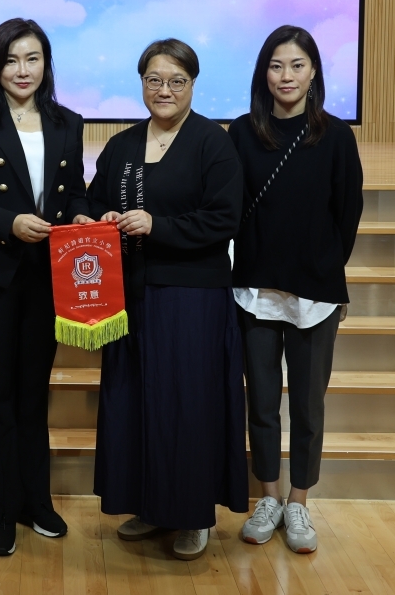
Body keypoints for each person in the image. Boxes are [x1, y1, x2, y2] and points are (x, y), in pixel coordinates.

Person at [89, 38, 249, 562]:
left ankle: (193, 513)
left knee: (187, 405)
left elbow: (223, 218)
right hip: (129, 294)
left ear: (193, 85)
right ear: (141, 83)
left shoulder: (212, 143)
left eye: (177, 81)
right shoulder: (122, 145)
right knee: (137, 402)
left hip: (190, 297)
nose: (164, 90)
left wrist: (158, 225)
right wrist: (99, 219)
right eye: (154, 80)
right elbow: (93, 200)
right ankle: (150, 504)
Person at [0, 18, 91, 557]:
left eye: (32, 58)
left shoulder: (68, 121)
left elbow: (74, 192)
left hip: (49, 275)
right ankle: (0, 512)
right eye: (11, 60)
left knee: (34, 392)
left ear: (46, 63)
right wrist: (9, 223)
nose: (22, 70)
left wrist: (80, 216)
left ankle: (36, 502)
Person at [229, 25, 363, 555]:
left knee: (308, 405)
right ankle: (268, 497)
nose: (286, 75)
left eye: (297, 65)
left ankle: (300, 502)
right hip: (256, 290)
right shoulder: (242, 133)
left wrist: (326, 270)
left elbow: (347, 213)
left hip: (314, 294)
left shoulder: (336, 136)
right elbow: (231, 208)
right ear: (263, 73)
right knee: (261, 403)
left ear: (313, 73)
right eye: (276, 65)